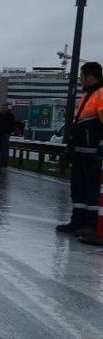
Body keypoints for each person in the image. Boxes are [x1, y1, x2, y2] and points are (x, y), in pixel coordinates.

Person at [57, 61, 103, 235]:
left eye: (82, 76)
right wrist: (69, 150)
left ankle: (91, 225)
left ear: (90, 76)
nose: (80, 79)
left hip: (93, 153)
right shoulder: (86, 96)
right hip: (80, 151)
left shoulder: (100, 94)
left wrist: (100, 150)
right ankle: (77, 222)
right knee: (78, 190)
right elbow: (78, 126)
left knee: (92, 190)